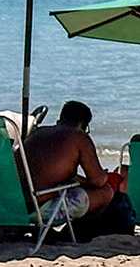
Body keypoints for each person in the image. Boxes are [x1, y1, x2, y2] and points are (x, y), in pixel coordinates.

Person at [23, 100, 128, 237]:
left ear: (60, 119)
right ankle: (78, 232)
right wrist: (103, 175)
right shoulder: (79, 137)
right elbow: (98, 180)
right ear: (83, 125)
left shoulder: (37, 133)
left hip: (18, 204)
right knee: (105, 192)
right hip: (41, 208)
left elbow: (46, 172)